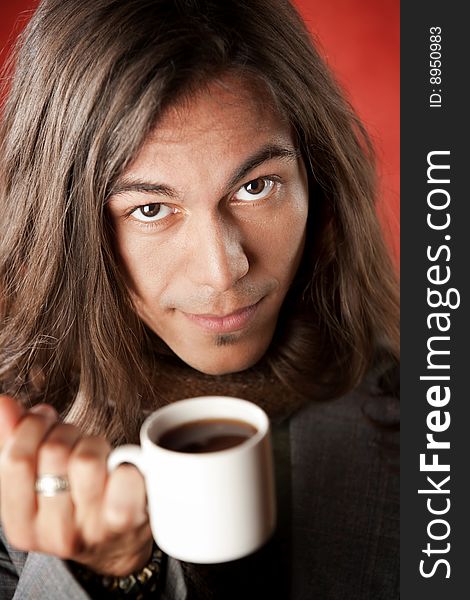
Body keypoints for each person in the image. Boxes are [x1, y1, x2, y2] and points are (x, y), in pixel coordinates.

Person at [0, 0, 399, 598]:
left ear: (318, 179)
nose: (222, 271)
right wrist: (111, 578)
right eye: (152, 209)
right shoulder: (17, 443)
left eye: (255, 187)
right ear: (67, 228)